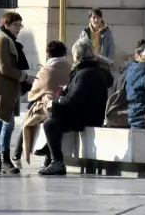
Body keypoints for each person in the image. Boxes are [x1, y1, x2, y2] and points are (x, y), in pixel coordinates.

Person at [38, 37, 111, 177]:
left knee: (50, 124)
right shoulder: (87, 70)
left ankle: (56, 161)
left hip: (87, 117)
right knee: (53, 117)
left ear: (78, 55)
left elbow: (73, 99)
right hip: (87, 113)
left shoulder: (86, 73)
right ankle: (50, 158)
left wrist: (55, 102)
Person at [0, 10, 32, 175]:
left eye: (20, 25)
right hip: (2, 87)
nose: (19, 28)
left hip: (7, 87)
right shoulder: (1, 41)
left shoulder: (8, 40)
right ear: (6, 25)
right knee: (6, 123)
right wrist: (25, 76)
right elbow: (4, 67)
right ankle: (3, 158)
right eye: (15, 25)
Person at [17, 40, 69, 170]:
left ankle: (16, 156)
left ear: (48, 54)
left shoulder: (46, 70)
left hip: (49, 107)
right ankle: (47, 159)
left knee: (27, 120)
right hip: (67, 106)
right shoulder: (70, 68)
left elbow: (33, 93)